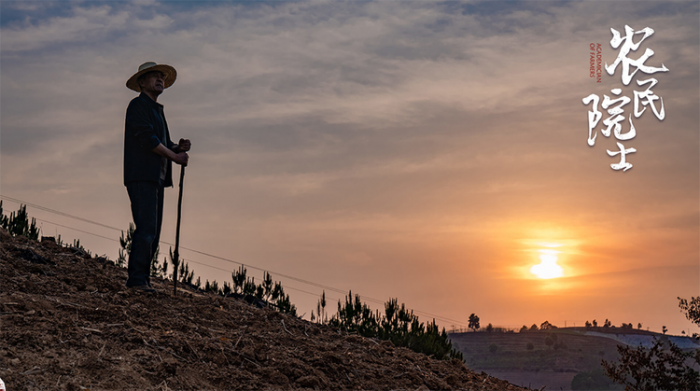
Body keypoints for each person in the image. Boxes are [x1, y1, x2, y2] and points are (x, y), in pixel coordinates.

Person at [124, 62, 190, 292]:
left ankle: (143, 278)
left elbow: (161, 141)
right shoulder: (137, 106)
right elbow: (148, 140)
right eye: (154, 76)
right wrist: (174, 156)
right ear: (142, 82)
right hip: (142, 175)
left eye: (161, 76)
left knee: (154, 230)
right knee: (147, 228)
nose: (160, 79)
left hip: (156, 178)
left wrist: (177, 147)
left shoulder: (156, 111)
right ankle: (137, 280)